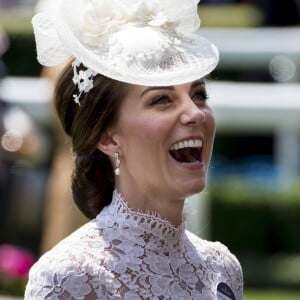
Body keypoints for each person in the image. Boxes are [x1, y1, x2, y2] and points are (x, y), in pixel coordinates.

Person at [25, 0, 244, 299]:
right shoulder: (70, 276)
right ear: (108, 137)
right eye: (161, 100)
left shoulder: (223, 267)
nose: (195, 113)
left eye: (199, 94)